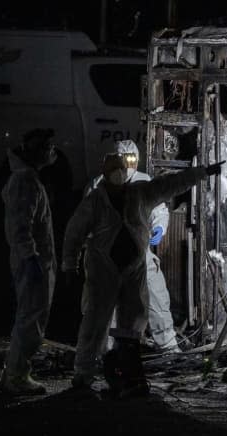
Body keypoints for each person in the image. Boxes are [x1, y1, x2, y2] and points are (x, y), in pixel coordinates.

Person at [62, 153, 222, 393]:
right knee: (96, 322)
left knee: (132, 323)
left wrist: (202, 172)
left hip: (133, 268)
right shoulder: (95, 199)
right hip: (103, 269)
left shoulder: (139, 192)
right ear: (105, 177)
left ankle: (127, 374)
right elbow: (74, 234)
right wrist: (69, 264)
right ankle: (84, 374)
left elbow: (172, 183)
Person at [87, 140, 180, 353]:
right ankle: (104, 350)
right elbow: (84, 221)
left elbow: (160, 210)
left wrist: (159, 228)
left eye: (132, 160)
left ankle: (168, 345)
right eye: (123, 160)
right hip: (108, 256)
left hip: (139, 253)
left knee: (156, 296)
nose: (128, 166)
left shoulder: (143, 182)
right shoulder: (99, 185)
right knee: (106, 306)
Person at [0, 128, 58, 395]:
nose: (52, 152)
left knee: (28, 317)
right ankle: (17, 376)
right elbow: (20, 227)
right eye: (47, 147)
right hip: (32, 261)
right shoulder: (25, 182)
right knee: (31, 320)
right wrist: (30, 257)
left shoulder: (28, 179)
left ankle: (13, 372)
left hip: (32, 260)